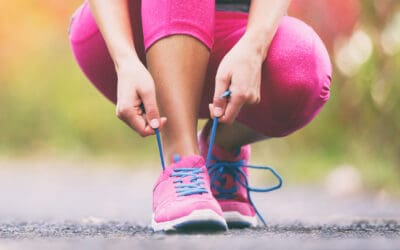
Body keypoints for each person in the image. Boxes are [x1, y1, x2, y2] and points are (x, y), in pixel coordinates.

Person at [69, 0, 332, 231]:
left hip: (236, 27)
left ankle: (220, 149)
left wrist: (254, 47)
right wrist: (124, 61)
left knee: (304, 67)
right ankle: (181, 165)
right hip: (130, 32)